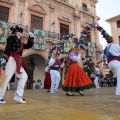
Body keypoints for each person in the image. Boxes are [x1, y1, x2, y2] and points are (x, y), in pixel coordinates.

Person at [0, 25, 34, 103]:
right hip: (11, 59)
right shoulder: (11, 38)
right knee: (7, 78)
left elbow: (28, 45)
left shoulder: (20, 42)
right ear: (16, 32)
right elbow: (8, 48)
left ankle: (18, 96)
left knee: (24, 76)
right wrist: (5, 58)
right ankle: (0, 96)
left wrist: (31, 37)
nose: (22, 33)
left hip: (17, 61)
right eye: (20, 31)